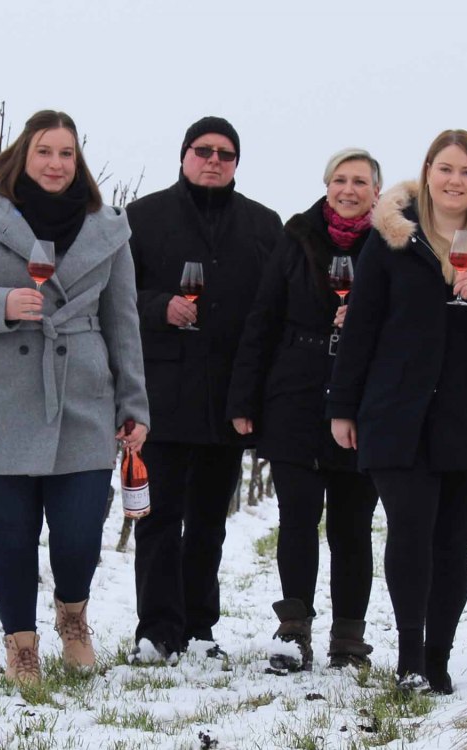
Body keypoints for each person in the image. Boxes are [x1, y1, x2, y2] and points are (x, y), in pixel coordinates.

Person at [0, 109, 149, 685]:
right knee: (14, 534)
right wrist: (0, 306)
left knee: (79, 533)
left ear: (79, 162)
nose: (56, 163)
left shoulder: (109, 229)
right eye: (44, 152)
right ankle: (20, 645)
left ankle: (72, 618)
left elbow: (122, 321)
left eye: (67, 153)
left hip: (81, 394)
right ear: (23, 156)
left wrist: (134, 406)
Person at [326, 129, 467, 693]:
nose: (455, 181)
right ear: (427, 172)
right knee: (409, 532)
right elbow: (363, 327)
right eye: (445, 169)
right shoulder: (393, 240)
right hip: (398, 412)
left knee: (451, 542)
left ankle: (439, 657)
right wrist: (343, 407)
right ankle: (410, 659)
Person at [127, 116, 283, 661]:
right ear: (184, 155)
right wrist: (156, 305)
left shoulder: (265, 226)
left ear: (236, 162)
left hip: (228, 400)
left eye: (225, 153)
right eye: (203, 151)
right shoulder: (142, 218)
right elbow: (116, 297)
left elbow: (273, 312)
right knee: (160, 517)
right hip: (162, 394)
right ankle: (155, 629)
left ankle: (198, 627)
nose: (213, 160)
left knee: (210, 523)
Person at [227, 148, 383, 673]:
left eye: (360, 181)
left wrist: (363, 320)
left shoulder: (393, 244)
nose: (349, 189)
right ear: (326, 185)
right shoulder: (295, 238)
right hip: (293, 393)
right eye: (340, 179)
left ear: (376, 192)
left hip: (362, 400)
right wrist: (244, 399)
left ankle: (348, 637)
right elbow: (263, 317)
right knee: (296, 517)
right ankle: (293, 631)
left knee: (352, 524)